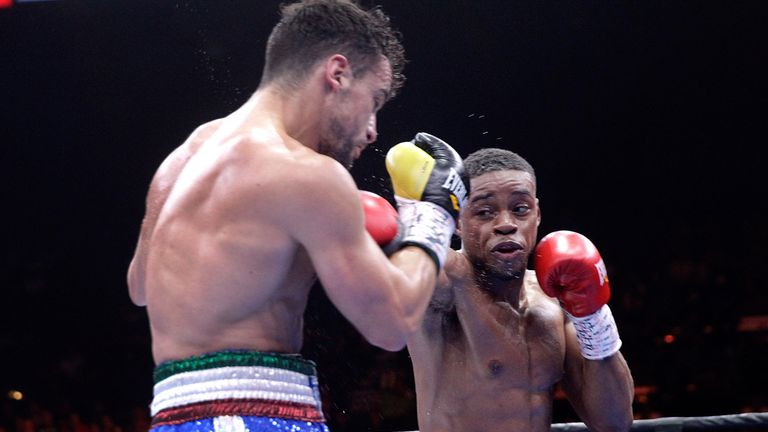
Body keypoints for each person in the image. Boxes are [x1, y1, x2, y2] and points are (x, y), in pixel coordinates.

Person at [126, 1, 469, 431]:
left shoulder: (187, 153)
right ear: (338, 73)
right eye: (375, 101)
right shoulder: (307, 173)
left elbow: (140, 287)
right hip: (256, 415)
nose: (372, 130)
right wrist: (433, 214)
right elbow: (392, 323)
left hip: (173, 416)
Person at [405, 148, 634, 432]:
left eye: (520, 209)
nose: (506, 224)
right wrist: (429, 214)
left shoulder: (554, 299)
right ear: (458, 221)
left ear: (537, 214)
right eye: (484, 212)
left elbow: (614, 423)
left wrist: (593, 315)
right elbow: (391, 258)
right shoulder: (447, 281)